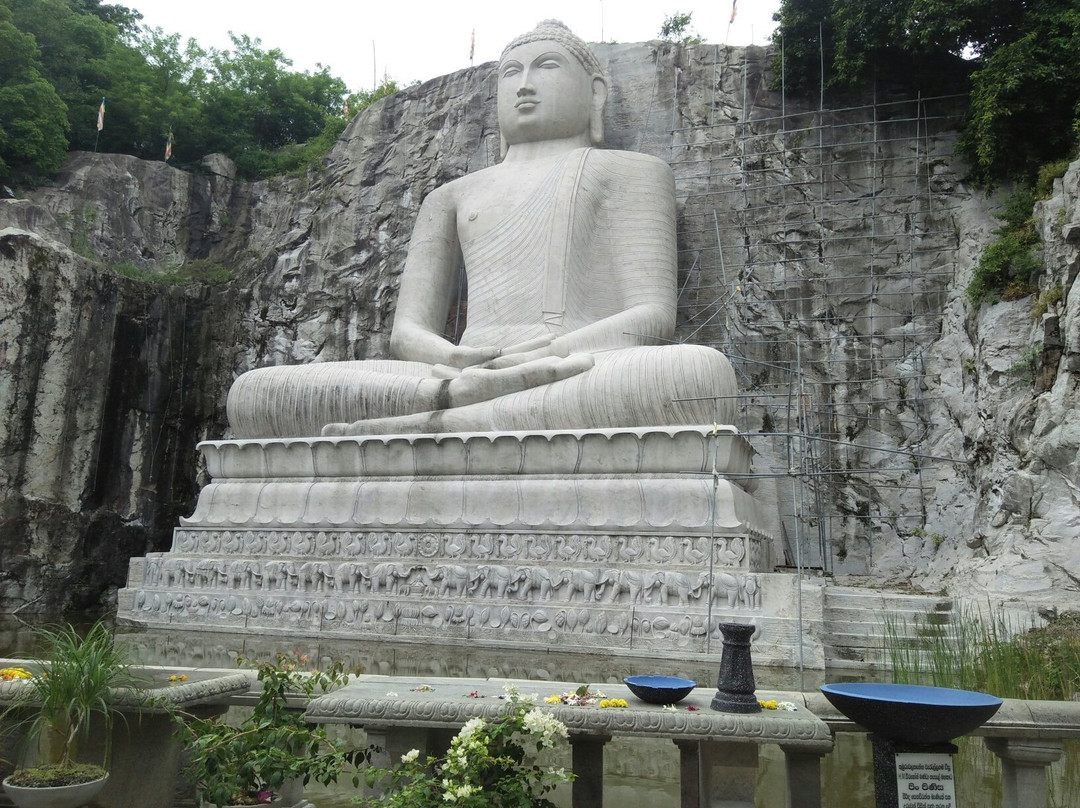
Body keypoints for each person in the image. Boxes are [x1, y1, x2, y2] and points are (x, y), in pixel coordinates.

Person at [226, 20, 736, 438]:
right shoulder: (451, 195)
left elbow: (652, 316)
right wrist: (452, 362)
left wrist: (546, 355)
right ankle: (449, 407)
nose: (525, 83)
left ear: (595, 92)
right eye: (510, 73)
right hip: (451, 371)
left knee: (696, 374)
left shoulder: (632, 171)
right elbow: (407, 333)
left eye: (547, 66)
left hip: (576, 366)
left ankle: (426, 423)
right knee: (255, 390)